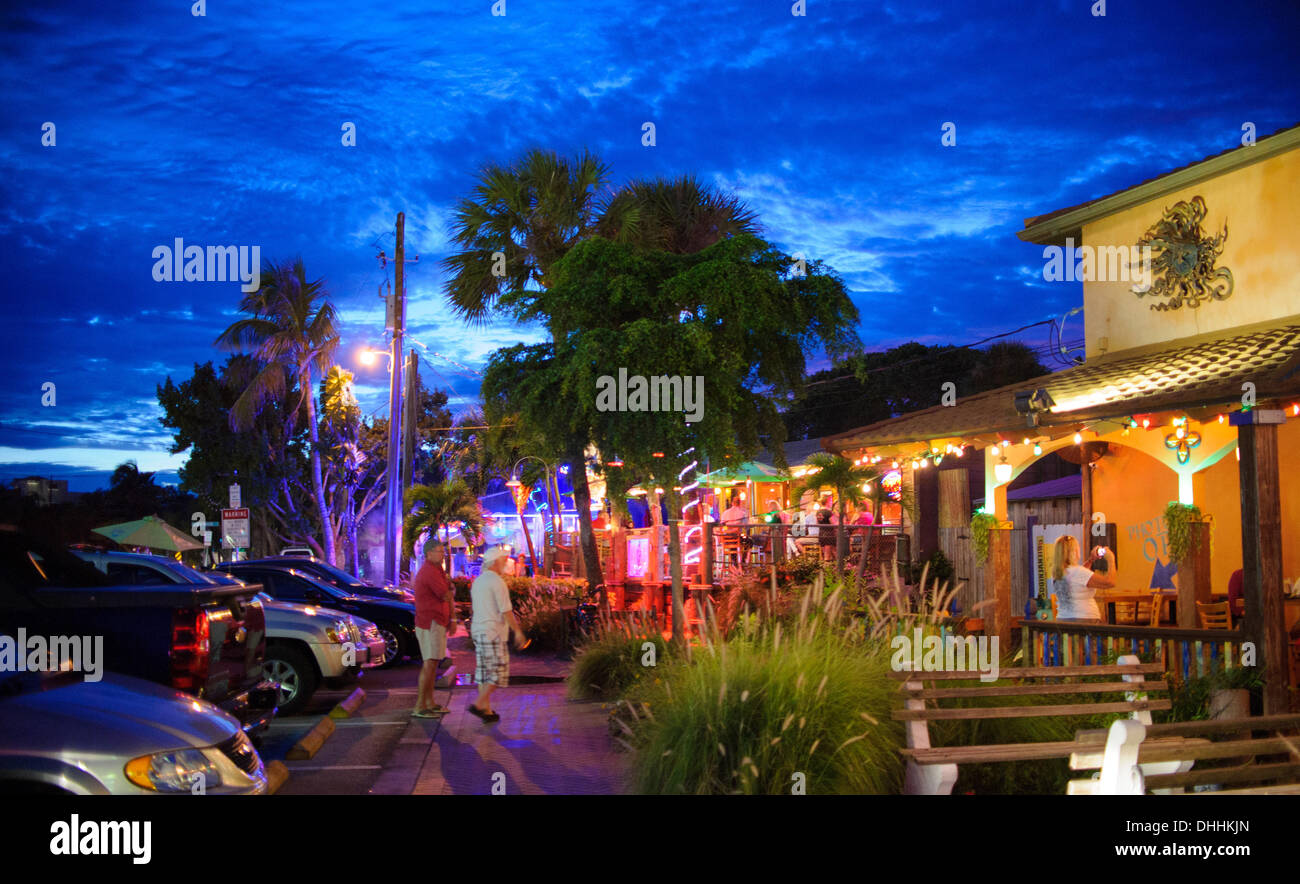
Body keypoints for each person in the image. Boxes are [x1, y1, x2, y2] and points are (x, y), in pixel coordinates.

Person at [468, 546, 526, 723]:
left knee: (485, 672)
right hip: (493, 632)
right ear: (494, 563)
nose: (505, 563)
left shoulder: (478, 581)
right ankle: (479, 704)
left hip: (479, 629)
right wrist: (517, 631)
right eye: (502, 560)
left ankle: (486, 710)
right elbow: (506, 610)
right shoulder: (497, 582)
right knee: (498, 671)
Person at [411, 539, 454, 718]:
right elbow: (446, 594)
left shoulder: (437, 570)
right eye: (438, 551)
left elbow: (448, 592)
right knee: (429, 663)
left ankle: (430, 702)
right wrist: (453, 617)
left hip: (436, 622)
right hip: (430, 623)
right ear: (428, 553)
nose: (442, 554)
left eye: (443, 551)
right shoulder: (429, 572)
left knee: (434, 662)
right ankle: (420, 706)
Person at [1051, 535, 1115, 622]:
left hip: (1063, 618)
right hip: (1084, 618)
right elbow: (1110, 582)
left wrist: (1091, 560)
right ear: (1074, 552)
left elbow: (1079, 579)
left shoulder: (1059, 572)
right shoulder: (1077, 572)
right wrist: (1111, 559)